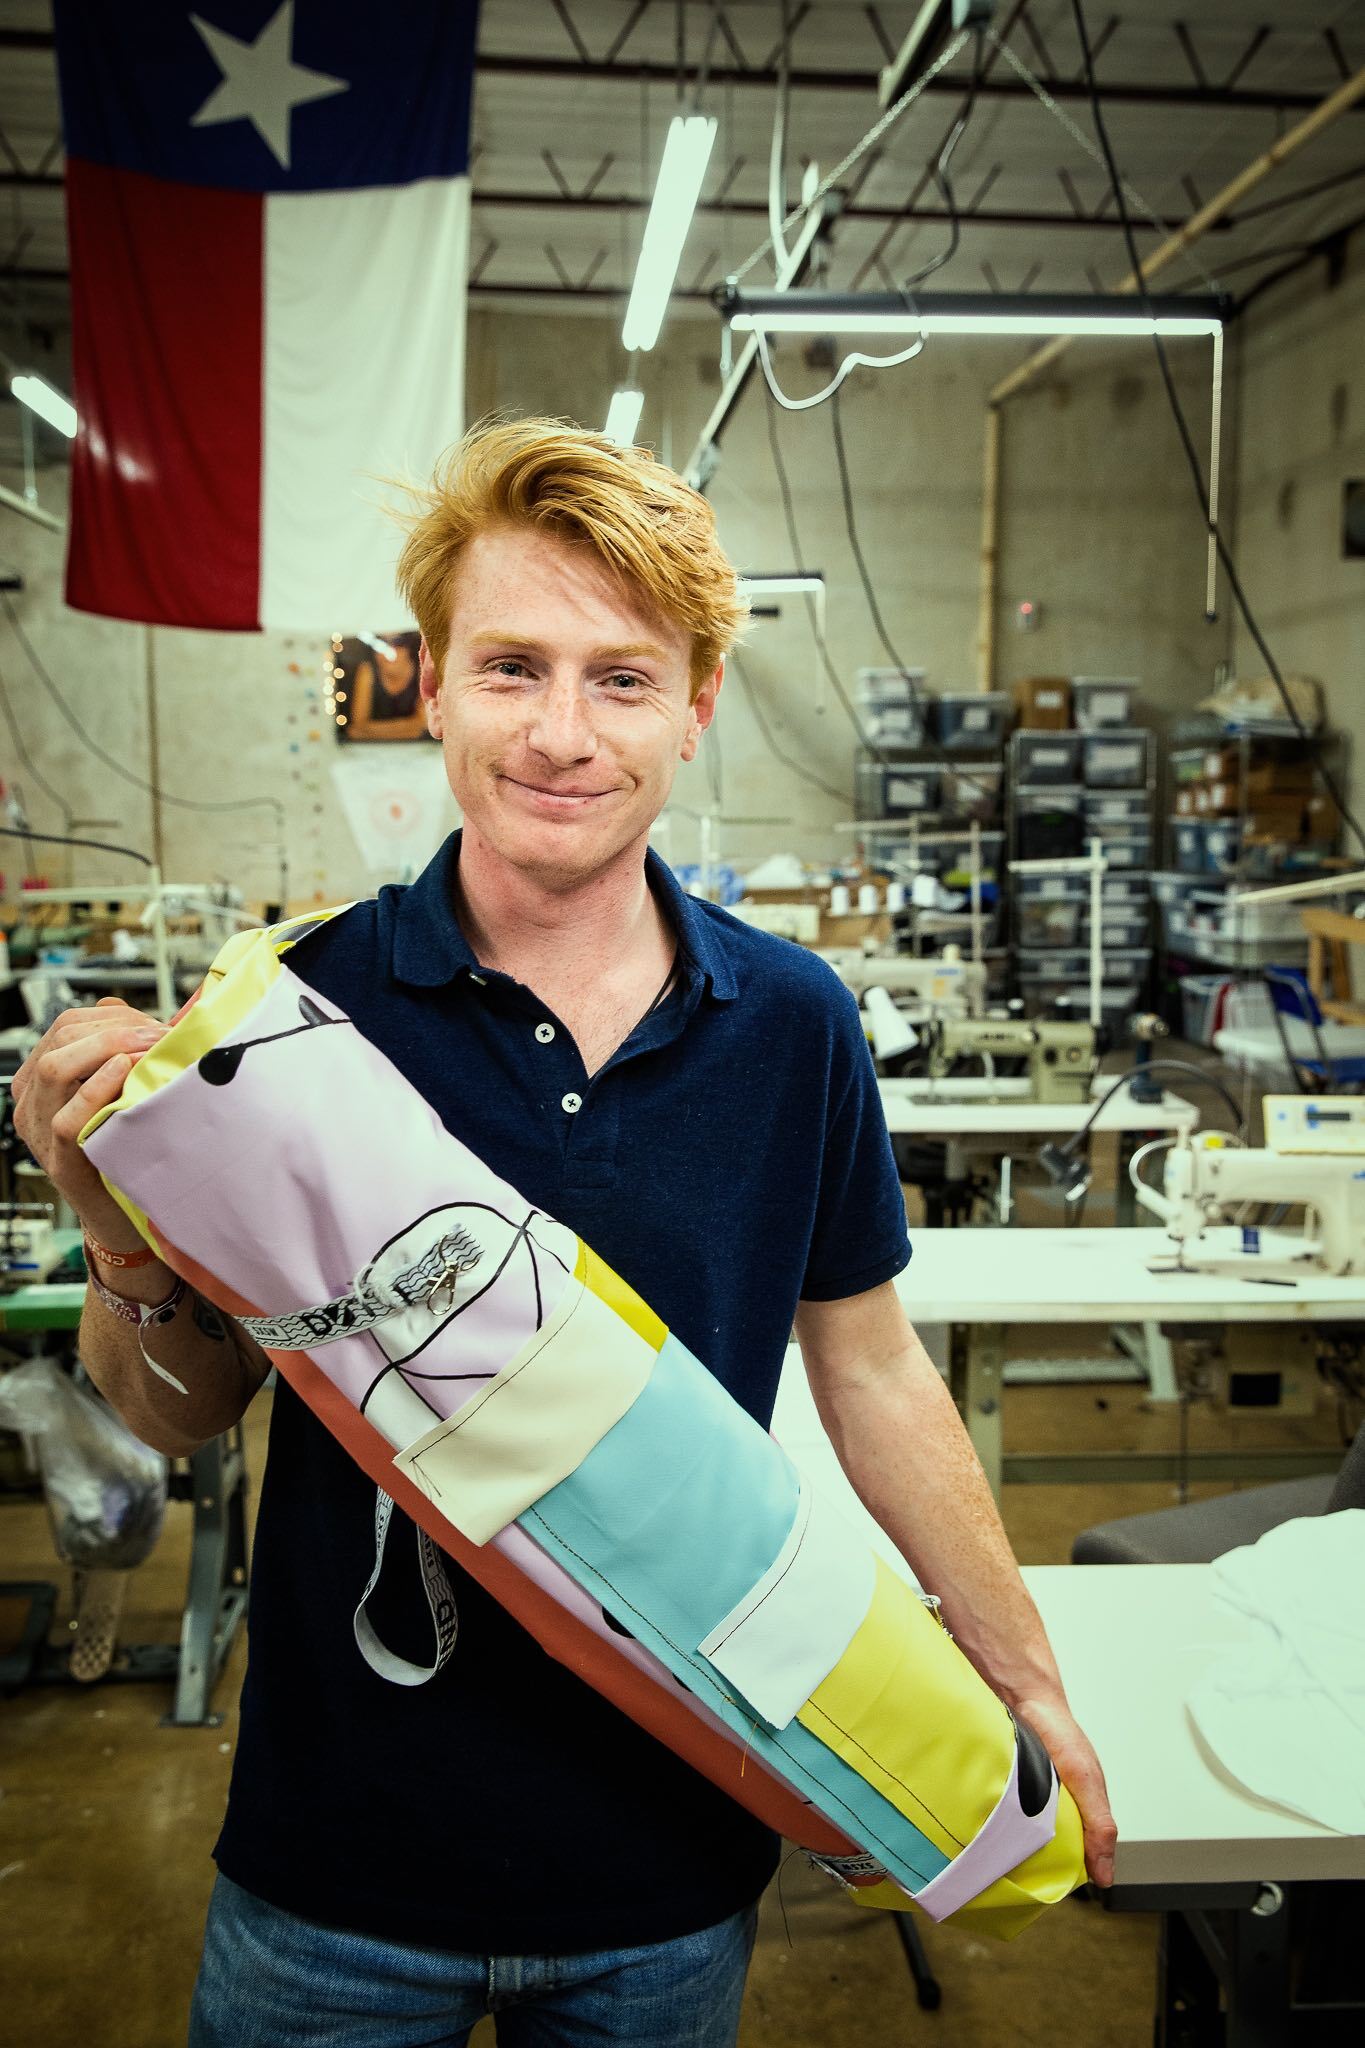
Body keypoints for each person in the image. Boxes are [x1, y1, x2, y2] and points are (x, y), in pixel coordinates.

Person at [12, 417, 1116, 2048]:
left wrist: (1020, 1673)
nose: (559, 732)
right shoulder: (291, 1010)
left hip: (668, 1859)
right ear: (433, 686)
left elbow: (874, 1371)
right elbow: (180, 1413)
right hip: (335, 1868)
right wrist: (115, 1233)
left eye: (621, 679)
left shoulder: (790, 1023)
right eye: (512, 667)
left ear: (694, 710)